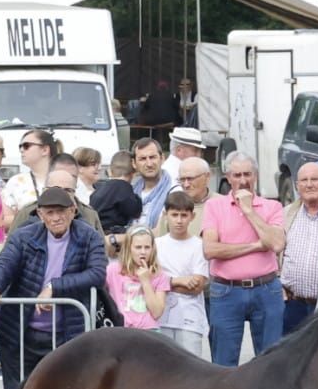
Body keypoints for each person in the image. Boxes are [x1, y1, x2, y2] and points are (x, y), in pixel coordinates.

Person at [0, 187, 108, 389]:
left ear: (73, 211)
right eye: (50, 212)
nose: (56, 217)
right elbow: (3, 264)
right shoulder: (23, 236)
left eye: (61, 211)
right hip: (19, 334)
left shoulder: (89, 237)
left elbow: (97, 273)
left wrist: (54, 288)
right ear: (40, 214)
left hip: (67, 337)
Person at [202, 153, 286, 366]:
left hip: (266, 288)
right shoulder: (214, 207)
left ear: (255, 176)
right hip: (226, 290)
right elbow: (210, 249)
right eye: (236, 175)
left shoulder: (272, 207)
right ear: (228, 177)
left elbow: (276, 244)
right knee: (223, 364)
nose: (242, 180)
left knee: (271, 362)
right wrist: (255, 245)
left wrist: (248, 210)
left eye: (247, 174)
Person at [278, 162, 318, 333]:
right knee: (291, 358)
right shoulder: (284, 214)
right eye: (304, 180)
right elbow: (272, 254)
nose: (309, 184)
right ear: (297, 186)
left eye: (315, 179)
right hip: (291, 306)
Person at [155, 190, 211, 356]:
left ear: (192, 217)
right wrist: (179, 281)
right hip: (160, 317)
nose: (179, 220)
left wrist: (163, 283)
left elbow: (196, 286)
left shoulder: (198, 246)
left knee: (191, 369)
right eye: (174, 215)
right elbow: (150, 281)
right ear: (166, 215)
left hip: (190, 320)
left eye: (183, 215)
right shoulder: (156, 245)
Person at [106, 227, 171, 330]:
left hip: (149, 330)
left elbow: (157, 313)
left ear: (152, 249)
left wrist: (145, 281)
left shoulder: (160, 275)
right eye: (138, 247)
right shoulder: (113, 270)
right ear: (129, 248)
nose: (143, 252)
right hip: (121, 330)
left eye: (147, 247)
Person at [2, 129, 59, 215]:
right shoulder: (15, 182)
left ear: (45, 150)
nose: (21, 150)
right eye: (20, 146)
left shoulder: (68, 179)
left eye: (26, 146)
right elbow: (5, 220)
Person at [156, 157, 212, 236]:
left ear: (207, 176)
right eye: (182, 179)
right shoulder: (173, 204)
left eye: (190, 179)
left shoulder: (222, 204)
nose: (186, 185)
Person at [132, 138, 173, 230]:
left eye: (152, 157)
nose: (149, 164)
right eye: (142, 159)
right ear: (134, 163)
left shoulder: (173, 192)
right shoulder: (130, 192)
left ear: (162, 159)